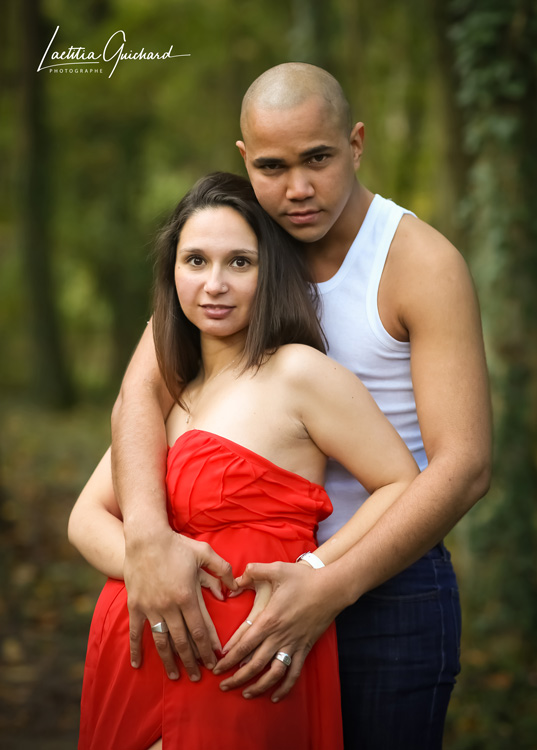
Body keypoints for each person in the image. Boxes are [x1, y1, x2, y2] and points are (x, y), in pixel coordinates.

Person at [110, 65, 492, 749]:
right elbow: (141, 391)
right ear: (244, 159)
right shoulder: (237, 250)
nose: (297, 189)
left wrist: (330, 582)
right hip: (247, 593)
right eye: (272, 167)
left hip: (387, 591)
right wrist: (145, 536)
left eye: (318, 159)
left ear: (356, 144)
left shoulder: (419, 263)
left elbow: (463, 466)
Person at [69, 172, 419, 749]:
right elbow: (85, 518)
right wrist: (151, 568)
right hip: (135, 662)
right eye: (195, 261)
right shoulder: (172, 394)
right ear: (172, 272)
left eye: (239, 263)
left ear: (269, 272)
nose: (215, 285)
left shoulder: (298, 373)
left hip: (242, 668)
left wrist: (318, 572)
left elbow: (401, 484)